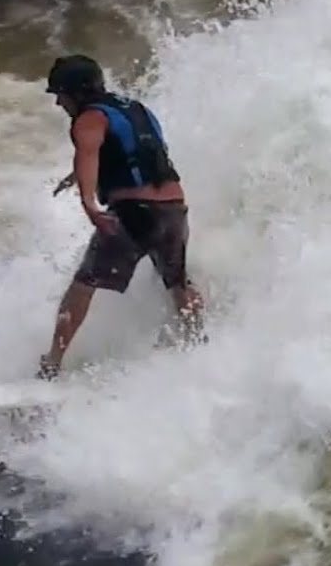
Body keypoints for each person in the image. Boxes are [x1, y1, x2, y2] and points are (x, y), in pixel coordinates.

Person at [37, 54, 205, 380]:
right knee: (178, 281)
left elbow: (88, 154)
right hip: (173, 210)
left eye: (60, 94)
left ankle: (51, 364)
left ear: (77, 92)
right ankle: (199, 344)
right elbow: (136, 153)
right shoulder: (136, 109)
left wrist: (89, 205)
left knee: (84, 284)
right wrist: (74, 177)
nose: (58, 102)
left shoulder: (89, 117)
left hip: (133, 213)